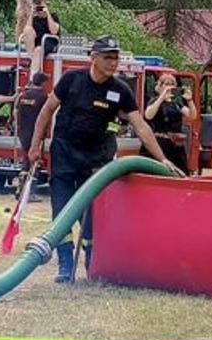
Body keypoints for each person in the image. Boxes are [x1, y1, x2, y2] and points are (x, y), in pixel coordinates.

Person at [28, 35, 179, 284]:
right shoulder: (71, 80)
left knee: (91, 216)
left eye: (115, 58)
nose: (113, 63)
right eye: (108, 57)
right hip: (64, 154)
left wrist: (161, 158)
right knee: (61, 210)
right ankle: (65, 265)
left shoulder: (120, 90)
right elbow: (47, 110)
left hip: (95, 161)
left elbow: (140, 126)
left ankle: (92, 264)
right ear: (93, 58)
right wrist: (36, 146)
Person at [15, 0, 59, 70]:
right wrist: (24, 8)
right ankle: (18, 42)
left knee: (39, 20)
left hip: (37, 2)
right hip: (25, 0)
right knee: (21, 18)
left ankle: (32, 51)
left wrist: (43, 5)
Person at [146, 73, 194, 175]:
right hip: (160, 144)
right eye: (166, 84)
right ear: (160, 86)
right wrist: (161, 98)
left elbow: (192, 116)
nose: (169, 87)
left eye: (172, 84)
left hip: (176, 145)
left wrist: (189, 100)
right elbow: (148, 115)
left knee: (181, 172)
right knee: (159, 173)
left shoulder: (176, 104)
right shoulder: (154, 101)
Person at [14, 71, 50, 159]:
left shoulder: (23, 95)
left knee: (26, 153)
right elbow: (47, 114)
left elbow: (15, 112)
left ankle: (25, 170)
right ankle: (31, 170)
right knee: (34, 155)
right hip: (36, 132)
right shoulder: (44, 97)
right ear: (43, 82)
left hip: (22, 131)